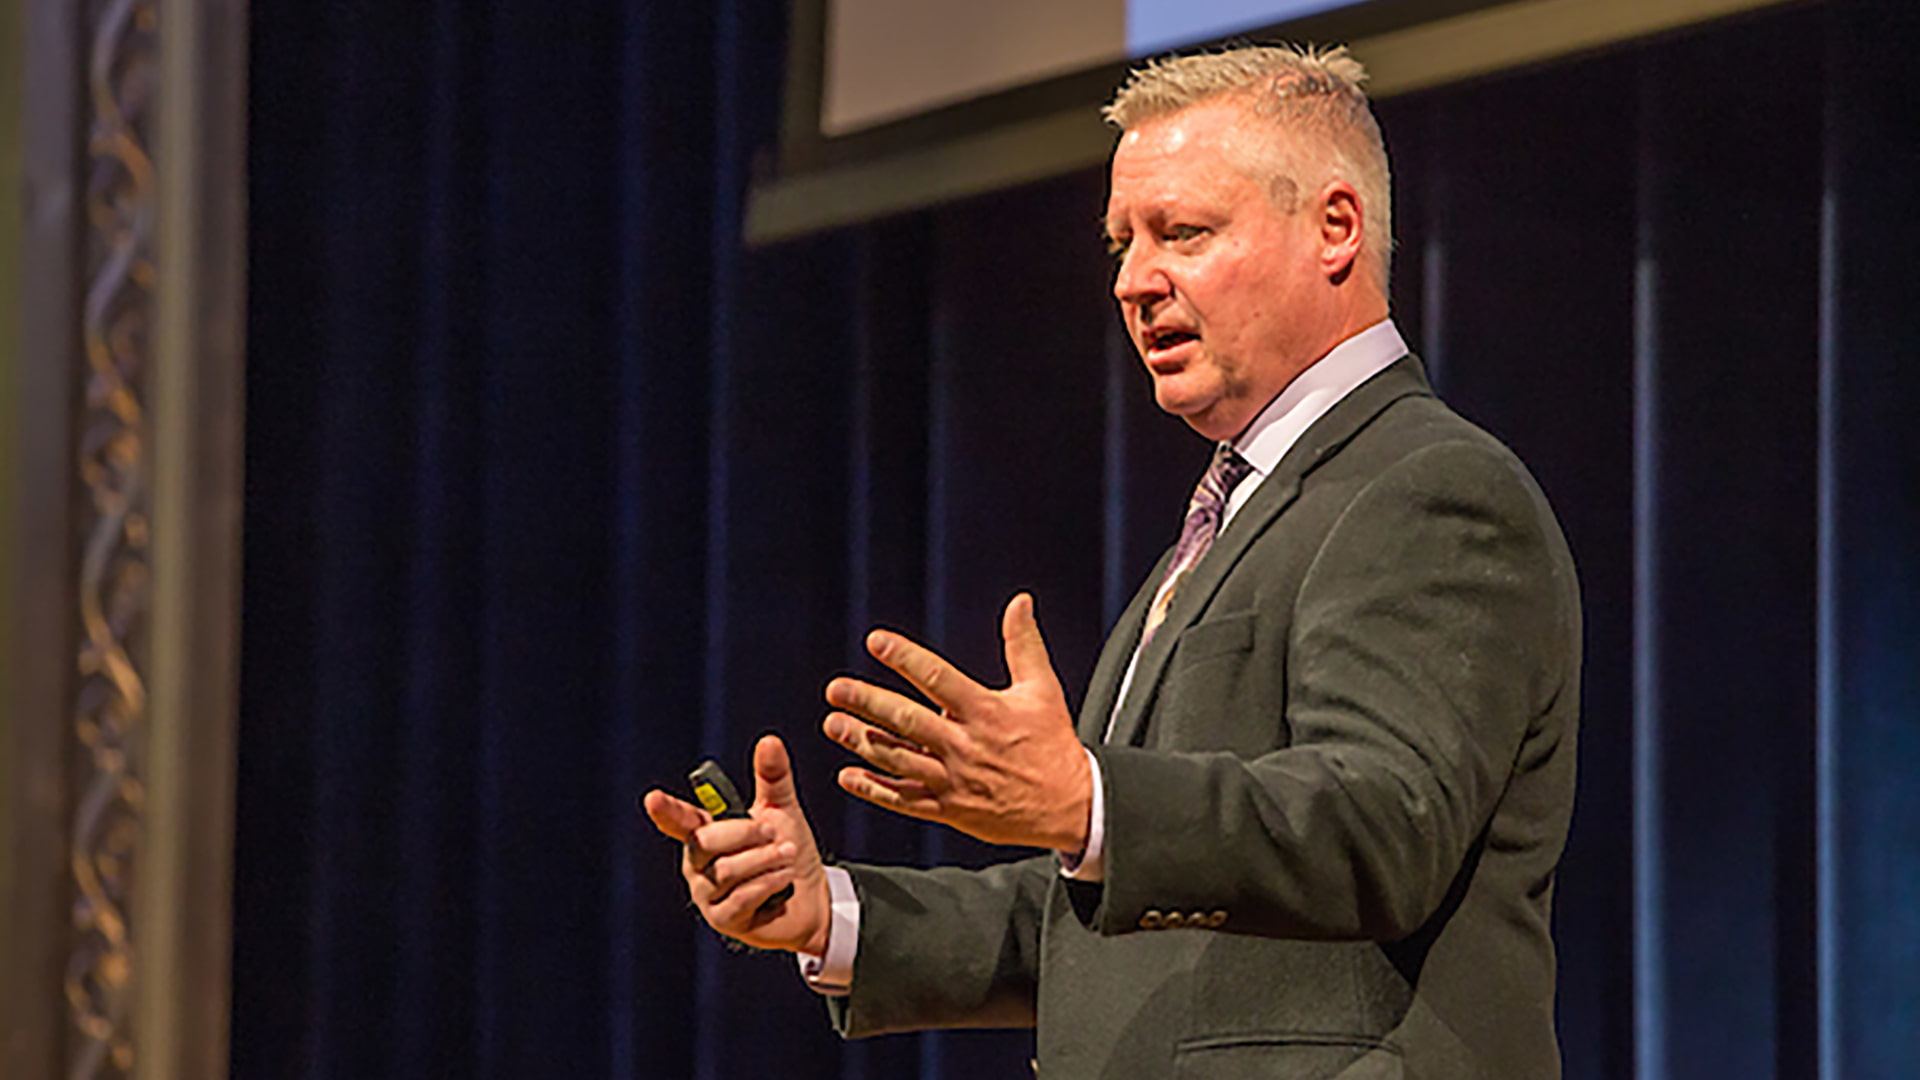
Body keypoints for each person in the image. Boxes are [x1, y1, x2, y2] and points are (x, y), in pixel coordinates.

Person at [645, 43, 1579, 1078]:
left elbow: (1379, 827)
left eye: (1183, 232)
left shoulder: (1428, 487)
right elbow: (1108, 924)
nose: (1136, 280)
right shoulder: (1244, 507)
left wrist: (1089, 802)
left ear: (1336, 228)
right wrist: (831, 914)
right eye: (1122, 243)